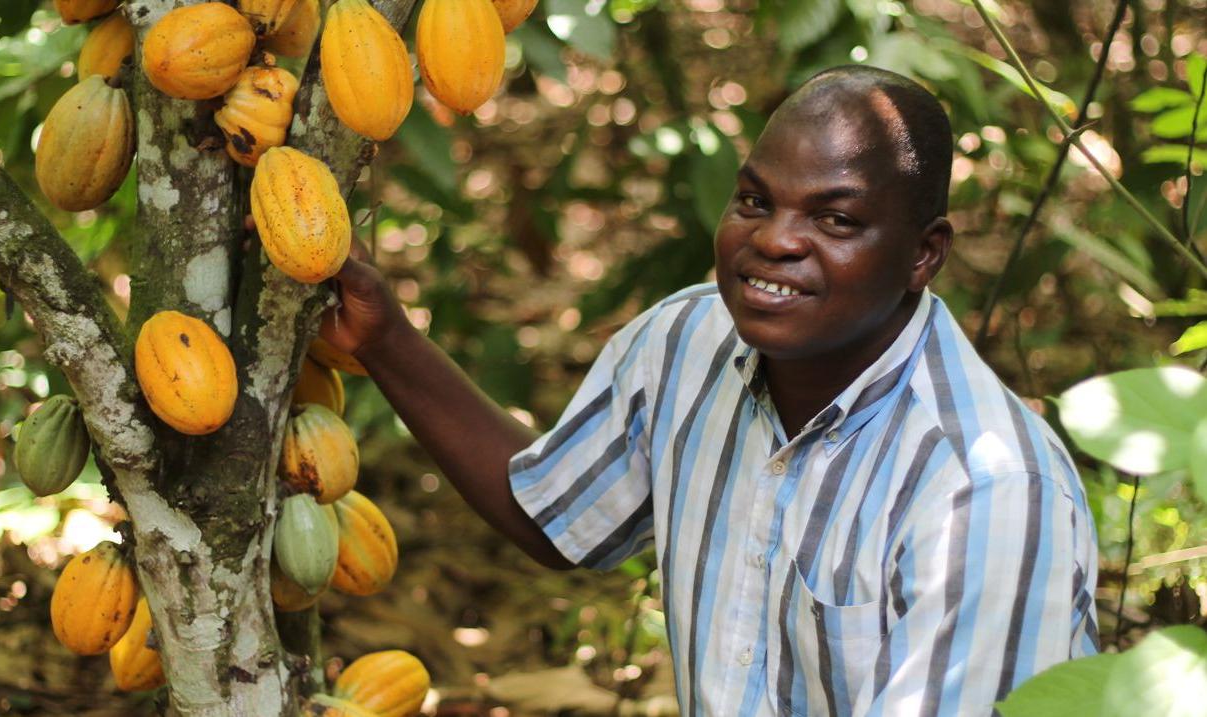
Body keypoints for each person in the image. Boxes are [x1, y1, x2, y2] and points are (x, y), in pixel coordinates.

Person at [319, 65, 1099, 717]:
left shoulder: (984, 493)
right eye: (756, 200)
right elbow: (552, 515)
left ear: (924, 255)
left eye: (833, 219)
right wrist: (384, 339)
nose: (774, 239)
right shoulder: (685, 343)